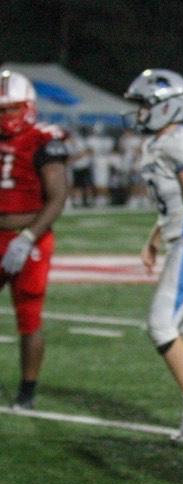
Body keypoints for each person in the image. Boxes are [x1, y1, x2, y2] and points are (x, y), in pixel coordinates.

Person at [124, 69, 183, 441]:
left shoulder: (182, 143)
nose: (140, 113)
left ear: (168, 107)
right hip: (177, 238)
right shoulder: (162, 142)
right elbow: (175, 206)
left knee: (161, 324)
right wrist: (154, 237)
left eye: (145, 105)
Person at [0, 70, 69, 409]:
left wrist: (27, 237)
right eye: (1, 110)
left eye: (12, 109)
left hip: (29, 237)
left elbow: (58, 195)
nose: (6, 117)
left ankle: (27, 392)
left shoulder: (44, 139)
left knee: (28, 316)